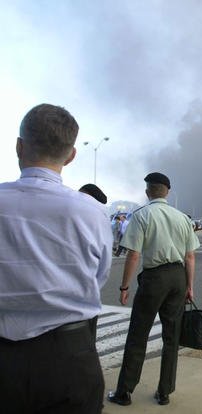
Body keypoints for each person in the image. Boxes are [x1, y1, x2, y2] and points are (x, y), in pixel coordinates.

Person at [0, 104, 113, 413]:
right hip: (68, 359)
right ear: (72, 155)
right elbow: (98, 276)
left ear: (19, 146)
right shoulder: (91, 213)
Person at [108, 172, 200, 407]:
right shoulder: (182, 218)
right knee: (172, 337)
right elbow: (190, 256)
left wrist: (124, 286)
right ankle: (165, 391)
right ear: (167, 192)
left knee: (138, 334)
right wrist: (189, 286)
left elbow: (134, 254)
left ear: (148, 191)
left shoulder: (142, 215)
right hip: (178, 277)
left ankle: (124, 391)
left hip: (154, 278)